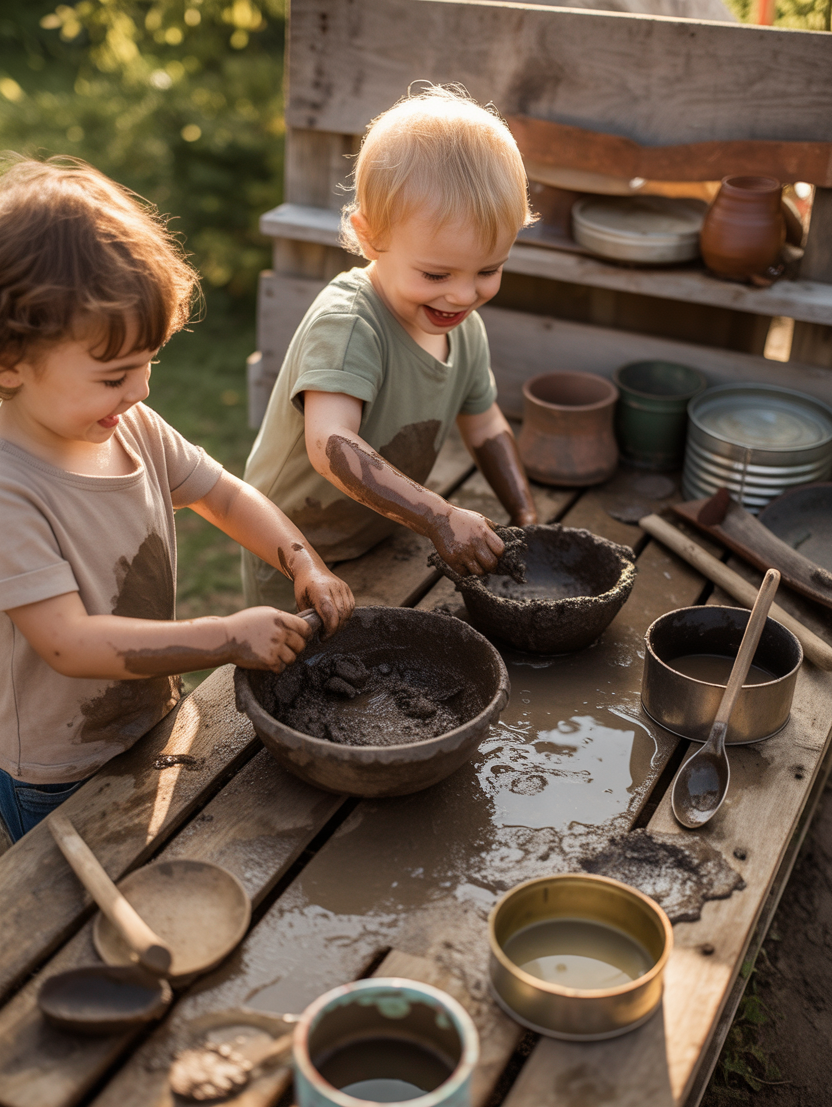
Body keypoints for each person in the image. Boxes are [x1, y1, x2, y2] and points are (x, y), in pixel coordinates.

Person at [0, 157, 354, 842]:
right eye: (114, 375)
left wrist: (301, 560)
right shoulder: (10, 488)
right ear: (10, 362)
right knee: (63, 917)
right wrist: (223, 636)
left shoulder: (129, 426)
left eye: (148, 364)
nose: (140, 392)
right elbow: (69, 646)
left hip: (147, 713)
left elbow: (223, 494)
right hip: (56, 764)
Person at [243, 84, 539, 612]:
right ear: (371, 235)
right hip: (298, 555)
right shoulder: (351, 323)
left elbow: (486, 424)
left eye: (489, 270)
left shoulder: (464, 329)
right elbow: (329, 442)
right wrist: (441, 518)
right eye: (436, 273)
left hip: (383, 534)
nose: (463, 294)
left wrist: (527, 518)